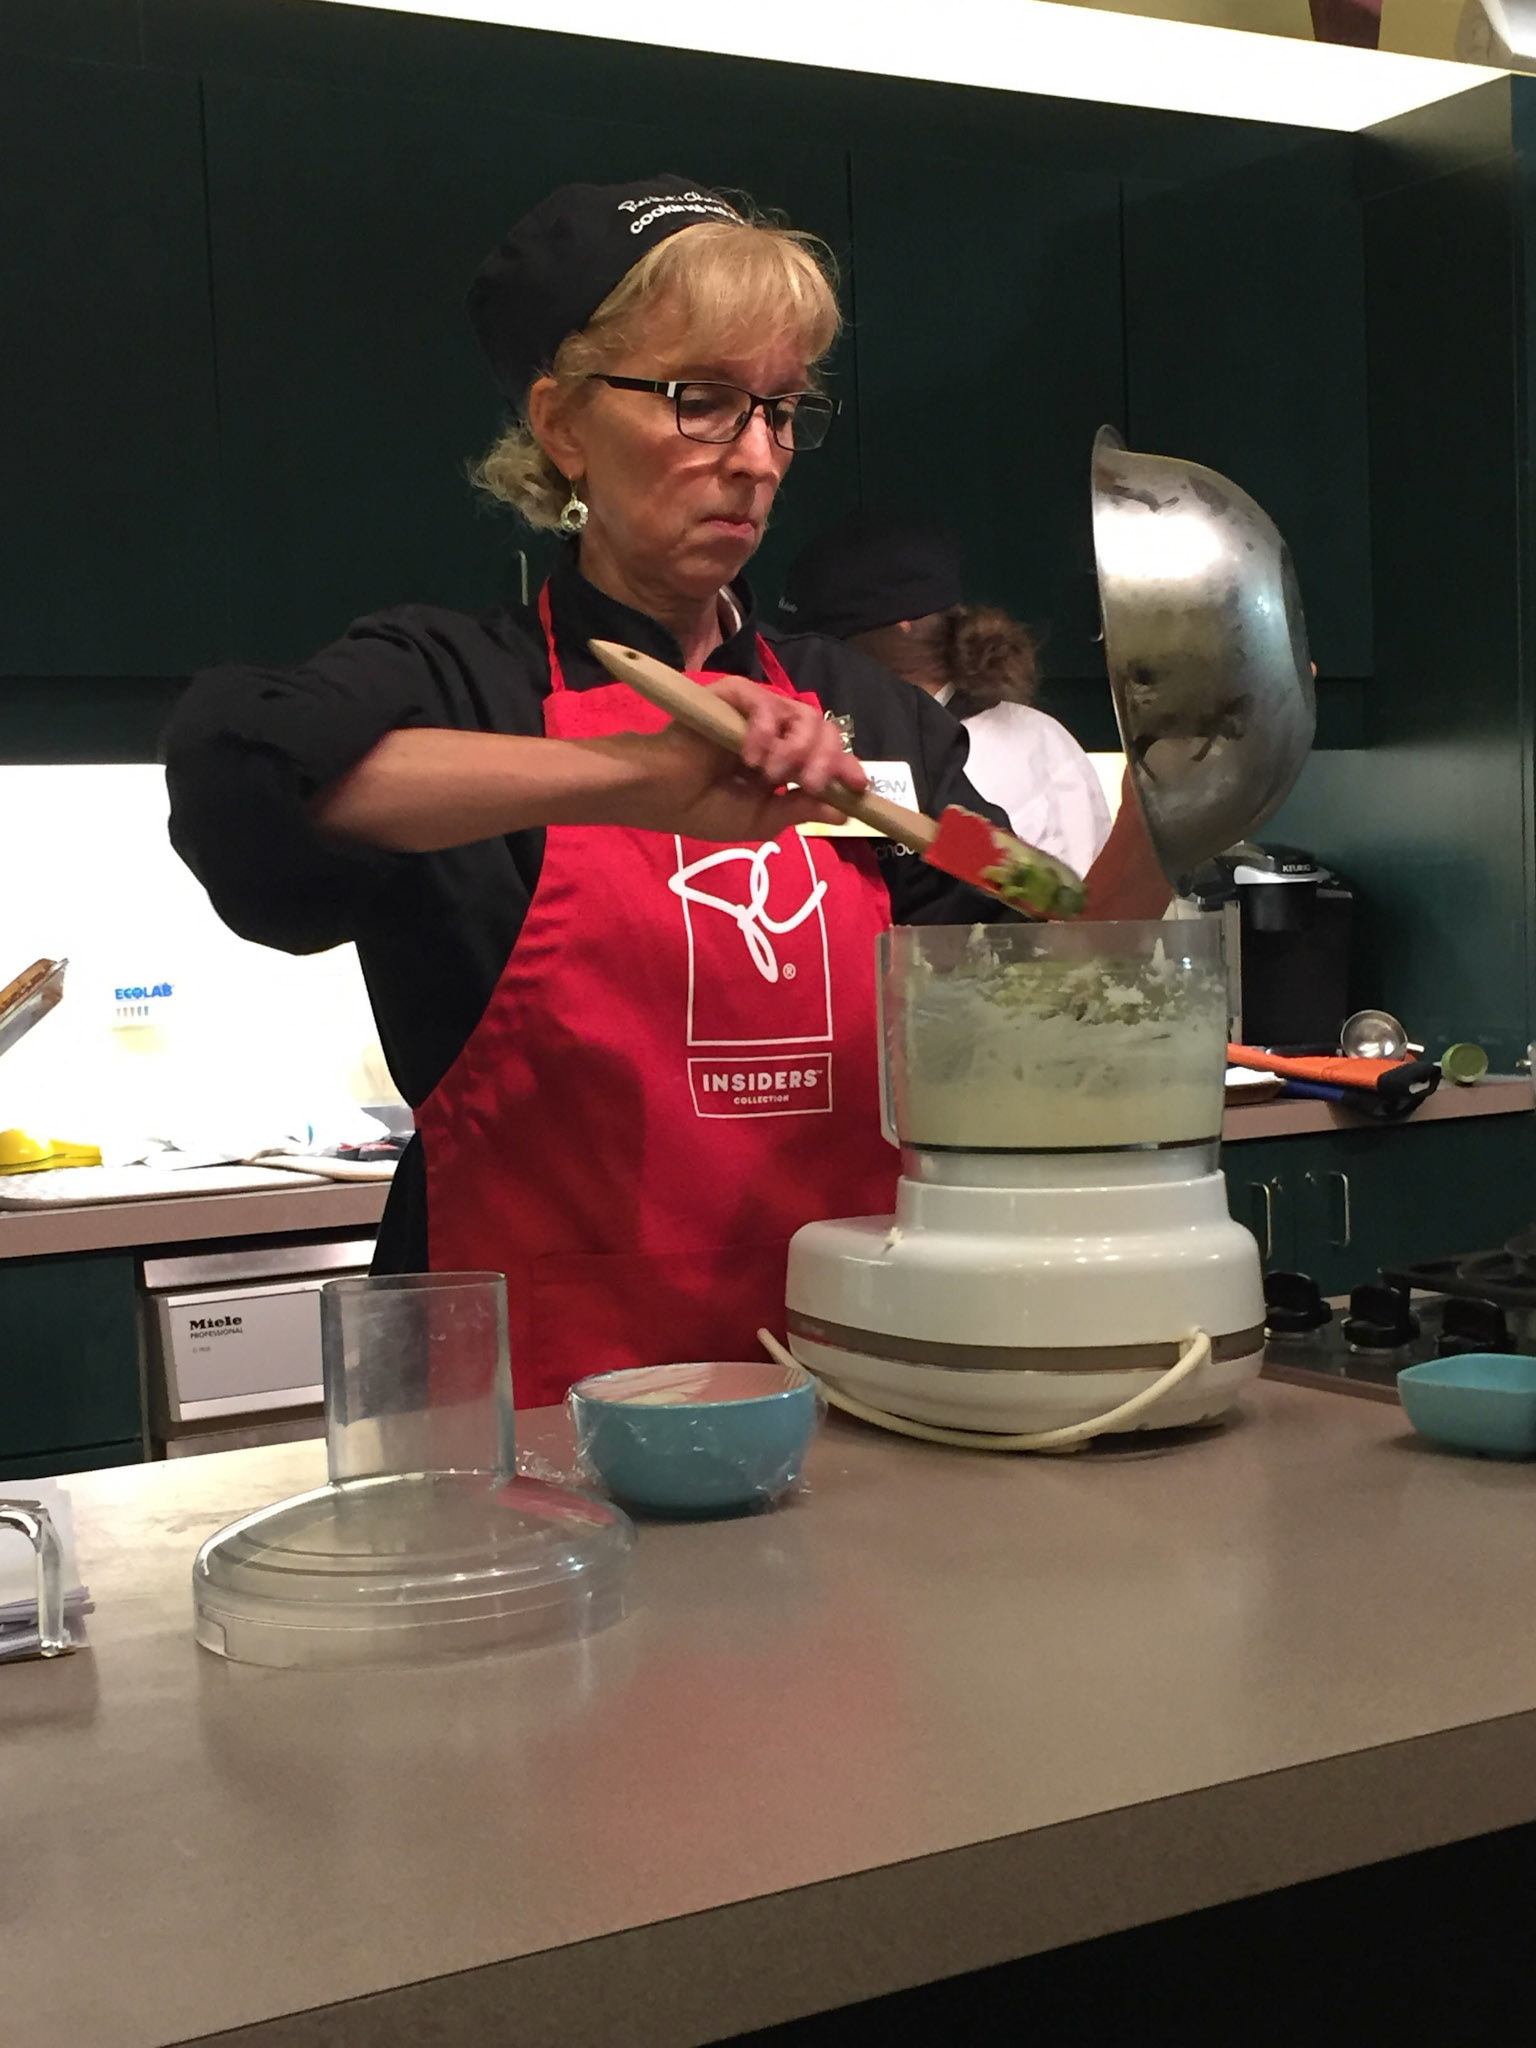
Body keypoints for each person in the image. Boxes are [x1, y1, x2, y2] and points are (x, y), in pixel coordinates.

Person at [162, 176, 1016, 1408]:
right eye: (704, 401)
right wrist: (634, 776)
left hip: (852, 1392)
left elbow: (1023, 919)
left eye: (779, 411)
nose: (760, 457)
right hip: (519, 1414)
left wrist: (1170, 800)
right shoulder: (455, 676)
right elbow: (241, 774)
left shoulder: (868, 714)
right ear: (563, 422)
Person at [781, 511, 1112, 876]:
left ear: (902, 622)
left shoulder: (1036, 748)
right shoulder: (823, 736)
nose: (818, 659)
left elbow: (1077, 917)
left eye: (832, 637)